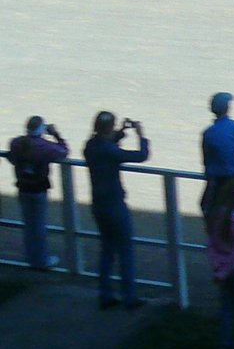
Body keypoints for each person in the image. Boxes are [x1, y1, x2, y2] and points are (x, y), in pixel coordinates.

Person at [84, 111, 149, 310]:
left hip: (99, 205)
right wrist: (141, 135)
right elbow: (141, 156)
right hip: (114, 204)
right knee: (126, 250)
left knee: (107, 251)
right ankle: (129, 297)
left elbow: (107, 142)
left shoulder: (90, 147)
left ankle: (105, 294)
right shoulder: (109, 151)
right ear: (108, 128)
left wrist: (121, 132)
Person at [7, 116, 69, 270]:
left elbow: (12, 157)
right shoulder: (45, 147)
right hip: (39, 189)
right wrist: (56, 134)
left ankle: (30, 257)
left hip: (23, 187)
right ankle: (41, 260)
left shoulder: (16, 143)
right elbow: (64, 151)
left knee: (29, 225)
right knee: (40, 225)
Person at [206, 180, 234, 349]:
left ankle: (224, 341)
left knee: (226, 307)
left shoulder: (216, 218)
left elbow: (211, 244)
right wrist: (225, 272)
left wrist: (218, 268)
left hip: (221, 269)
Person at [200, 91, 234, 218]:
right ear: (227, 108)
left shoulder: (208, 132)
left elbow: (206, 161)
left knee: (209, 209)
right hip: (233, 178)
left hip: (215, 180)